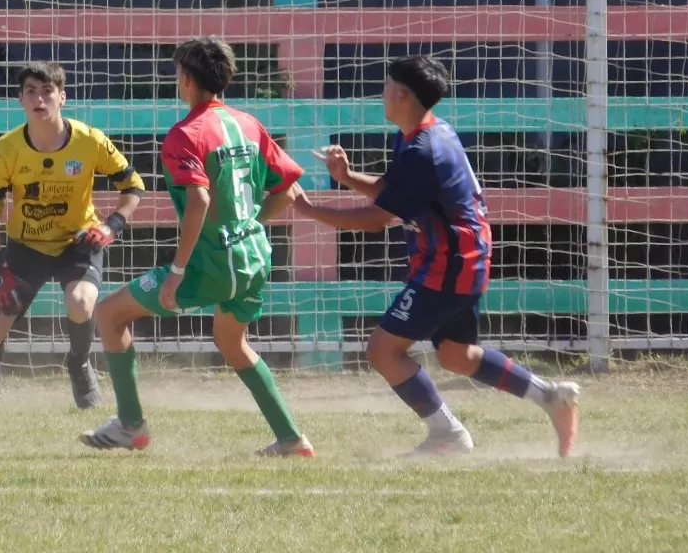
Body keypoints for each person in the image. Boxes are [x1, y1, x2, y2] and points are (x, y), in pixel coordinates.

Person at [295, 54, 580, 456]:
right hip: (468, 257)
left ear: (402, 94)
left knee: (382, 350)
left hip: (449, 265)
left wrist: (311, 211)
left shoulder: (423, 150)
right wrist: (346, 178)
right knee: (457, 356)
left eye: (386, 85)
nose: (382, 93)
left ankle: (447, 435)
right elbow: (394, 191)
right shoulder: (425, 133)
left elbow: (380, 218)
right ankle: (550, 396)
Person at [81, 36, 313, 457]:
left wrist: (177, 270)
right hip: (256, 257)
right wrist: (251, 222)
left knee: (111, 314)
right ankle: (292, 439)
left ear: (185, 79)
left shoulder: (185, 134)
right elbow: (289, 189)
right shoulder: (247, 123)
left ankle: (131, 425)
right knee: (231, 341)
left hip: (213, 264)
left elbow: (200, 200)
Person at [0, 62, 144, 411]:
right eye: (30, 91)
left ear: (62, 97)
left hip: (79, 243)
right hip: (26, 247)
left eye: (47, 91)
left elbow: (133, 186)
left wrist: (112, 225)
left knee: (82, 302)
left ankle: (79, 362)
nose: (39, 98)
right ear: (20, 100)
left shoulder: (90, 140)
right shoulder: (4, 149)